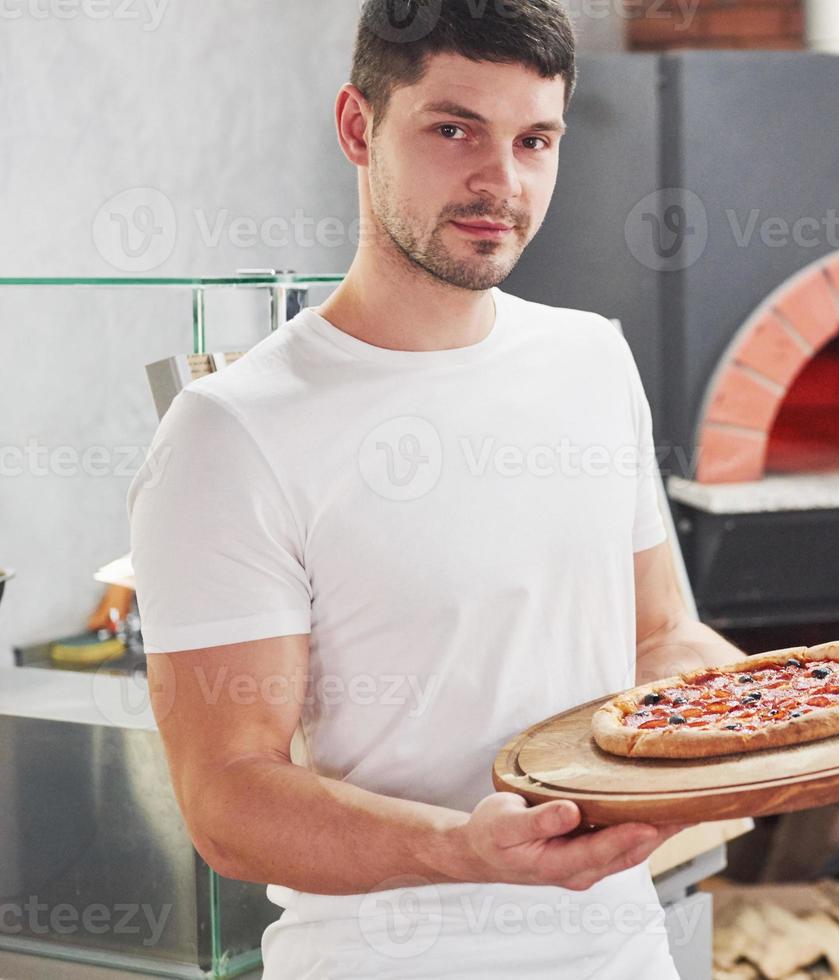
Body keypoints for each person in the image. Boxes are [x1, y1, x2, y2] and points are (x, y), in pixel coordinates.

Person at [126, 1, 746, 975]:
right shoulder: (230, 431)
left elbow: (659, 630)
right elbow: (227, 798)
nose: (500, 180)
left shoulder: (590, 357)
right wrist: (461, 849)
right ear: (356, 126)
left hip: (622, 949)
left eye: (533, 139)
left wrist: (755, 722)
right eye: (453, 129)